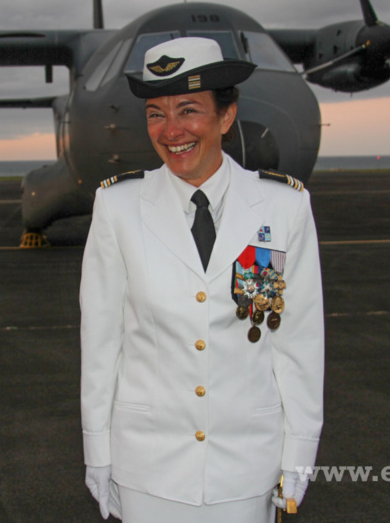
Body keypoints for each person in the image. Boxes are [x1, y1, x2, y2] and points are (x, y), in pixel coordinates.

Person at [80, 37, 324, 523]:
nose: (171, 131)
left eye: (188, 110)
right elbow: (102, 342)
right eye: (155, 113)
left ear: (226, 116)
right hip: (147, 468)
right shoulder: (119, 207)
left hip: (245, 467)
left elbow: (294, 340)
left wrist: (299, 450)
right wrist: (97, 451)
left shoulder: (281, 208)